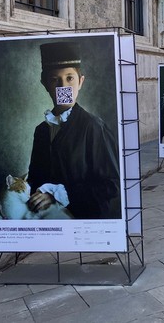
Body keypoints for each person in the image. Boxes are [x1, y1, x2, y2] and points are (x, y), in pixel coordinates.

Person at [27, 41, 121, 220]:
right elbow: (36, 177)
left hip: (86, 218)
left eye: (70, 78)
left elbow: (111, 185)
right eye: (55, 80)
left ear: (81, 82)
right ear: (45, 84)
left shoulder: (93, 127)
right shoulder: (41, 130)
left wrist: (57, 194)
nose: (63, 87)